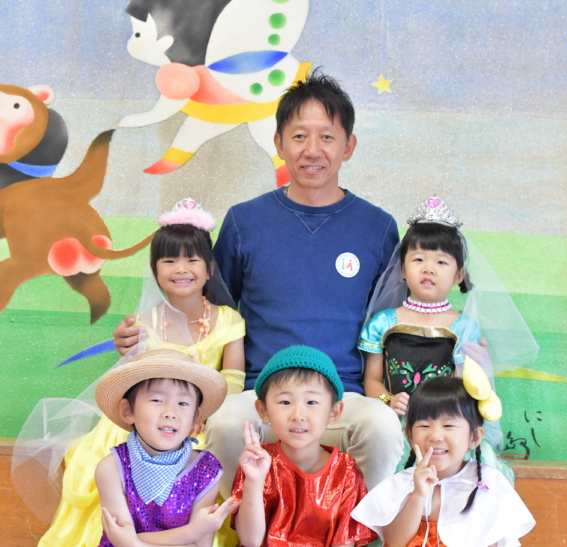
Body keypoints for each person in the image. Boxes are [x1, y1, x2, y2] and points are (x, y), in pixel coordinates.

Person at [113, 72, 403, 493]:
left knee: (383, 427)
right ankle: (240, 525)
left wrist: (454, 342)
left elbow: (394, 322)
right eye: (299, 136)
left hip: (344, 396)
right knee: (226, 423)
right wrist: (145, 335)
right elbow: (207, 309)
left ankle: (360, 527)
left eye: (326, 137)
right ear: (279, 143)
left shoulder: (377, 227)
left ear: (348, 146)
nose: (312, 150)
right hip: (259, 394)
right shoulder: (244, 221)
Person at [13, 198, 245, 547]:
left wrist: (205, 415)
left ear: (210, 268)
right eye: (169, 260)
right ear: (155, 269)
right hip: (149, 417)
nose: (181, 269)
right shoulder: (144, 322)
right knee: (100, 456)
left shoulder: (229, 320)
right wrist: (128, 355)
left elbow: (233, 378)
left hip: (198, 416)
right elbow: (136, 381)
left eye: (192, 259)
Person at [358, 195, 537, 479]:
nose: (428, 268)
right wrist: (388, 400)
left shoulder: (463, 326)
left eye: (441, 262)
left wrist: (439, 418)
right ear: (402, 269)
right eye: (418, 259)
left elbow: (460, 383)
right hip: (398, 423)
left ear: (459, 275)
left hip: (444, 425)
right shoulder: (383, 323)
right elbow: (371, 379)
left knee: (482, 464)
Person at [351, 376, 535, 547]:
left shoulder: (489, 482)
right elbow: (394, 543)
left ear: (475, 437)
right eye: (424, 426)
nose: (435, 436)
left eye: (448, 425)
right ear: (409, 435)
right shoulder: (402, 482)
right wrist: (417, 496)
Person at [230, 345, 378, 547]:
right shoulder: (256, 462)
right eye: (285, 402)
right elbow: (250, 541)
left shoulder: (346, 470)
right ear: (263, 410)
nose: (298, 415)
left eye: (312, 402)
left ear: (334, 412)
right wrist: (254, 482)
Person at [94, 349, 238, 547]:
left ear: (195, 417)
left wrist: (135, 543)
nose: (170, 412)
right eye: (157, 400)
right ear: (128, 411)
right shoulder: (111, 468)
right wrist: (193, 531)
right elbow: (120, 540)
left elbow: (199, 546)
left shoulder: (206, 470)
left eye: (183, 403)